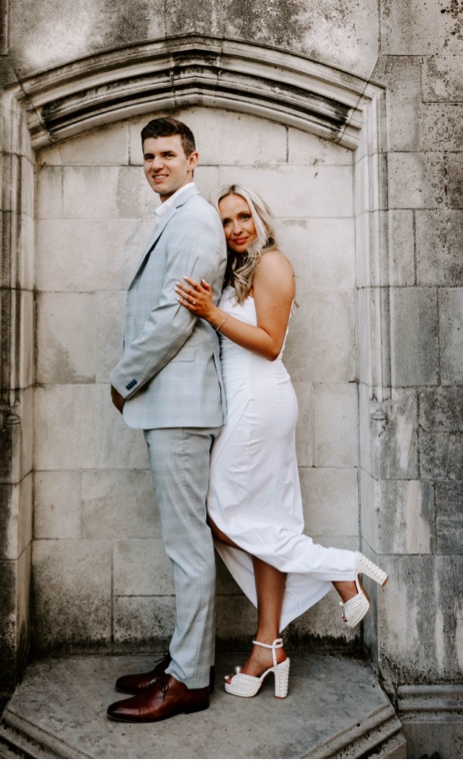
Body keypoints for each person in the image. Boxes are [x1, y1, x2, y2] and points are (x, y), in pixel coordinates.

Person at [174, 185, 388, 699]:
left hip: (259, 405)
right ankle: (268, 646)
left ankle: (340, 567)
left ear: (260, 216)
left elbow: (269, 344)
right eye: (225, 221)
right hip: (247, 407)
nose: (235, 228)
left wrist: (211, 313)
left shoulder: (272, 263)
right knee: (264, 523)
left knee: (221, 518)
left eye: (243, 216)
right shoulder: (237, 272)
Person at [105, 117, 226, 726]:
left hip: (179, 404)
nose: (156, 164)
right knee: (184, 544)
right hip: (171, 404)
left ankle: (189, 681)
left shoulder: (197, 221)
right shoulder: (174, 216)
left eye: (167, 155)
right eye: (148, 156)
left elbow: (175, 318)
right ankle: (183, 658)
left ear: (192, 160)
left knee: (187, 547)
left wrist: (124, 379)